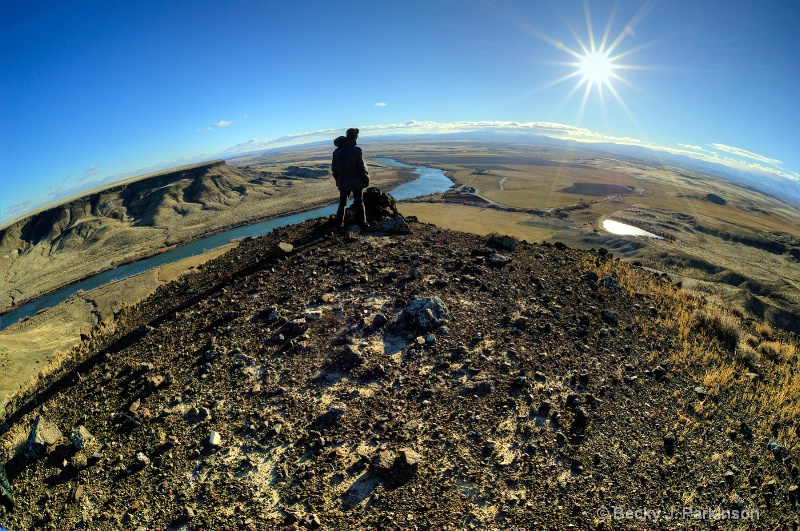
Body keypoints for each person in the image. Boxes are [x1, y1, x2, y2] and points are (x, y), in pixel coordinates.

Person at [331, 127, 370, 232]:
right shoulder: (357, 150)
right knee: (359, 202)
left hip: (343, 183)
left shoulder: (337, 152)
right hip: (357, 182)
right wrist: (366, 180)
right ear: (355, 137)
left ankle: (338, 226)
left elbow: (334, 170)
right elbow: (362, 168)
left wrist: (338, 182)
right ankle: (362, 224)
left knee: (342, 203)